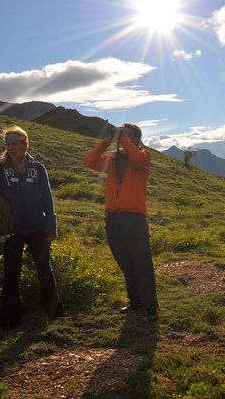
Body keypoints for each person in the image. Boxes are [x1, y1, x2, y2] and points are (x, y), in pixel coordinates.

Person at [0, 126, 63, 329]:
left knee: (45, 269)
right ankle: (10, 319)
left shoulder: (38, 168)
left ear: (25, 144)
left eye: (15, 144)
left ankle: (55, 313)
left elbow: (47, 198)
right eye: (8, 144)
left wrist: (51, 225)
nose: (11, 148)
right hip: (11, 230)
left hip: (37, 227)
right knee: (11, 273)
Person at [83, 123, 158, 322]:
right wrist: (107, 140)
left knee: (142, 262)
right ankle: (136, 303)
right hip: (113, 217)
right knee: (125, 261)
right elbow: (89, 161)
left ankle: (151, 307)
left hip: (134, 218)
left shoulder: (142, 156)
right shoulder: (112, 158)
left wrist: (124, 137)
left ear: (136, 138)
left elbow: (136, 158)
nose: (123, 137)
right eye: (122, 134)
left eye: (128, 135)